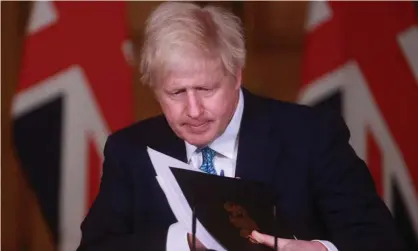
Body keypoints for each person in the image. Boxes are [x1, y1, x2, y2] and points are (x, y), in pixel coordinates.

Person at [77, 2, 405, 251]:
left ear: (237, 76)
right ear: (154, 89)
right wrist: (176, 242)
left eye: (206, 89)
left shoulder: (311, 134)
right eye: (176, 92)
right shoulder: (129, 150)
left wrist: (322, 249)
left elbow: (379, 239)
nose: (193, 110)